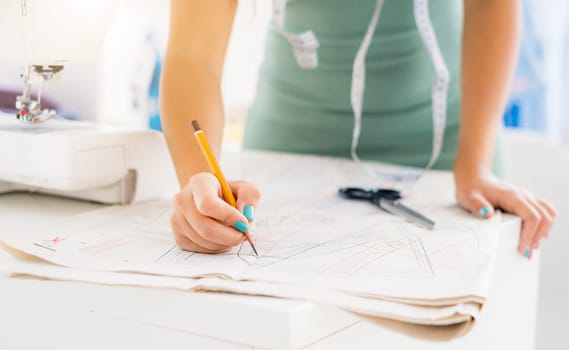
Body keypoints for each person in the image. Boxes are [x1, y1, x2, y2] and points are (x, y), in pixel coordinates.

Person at [159, 0, 556, 259]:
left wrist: (476, 164)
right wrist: (201, 180)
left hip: (456, 143)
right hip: (289, 139)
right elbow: (192, 54)